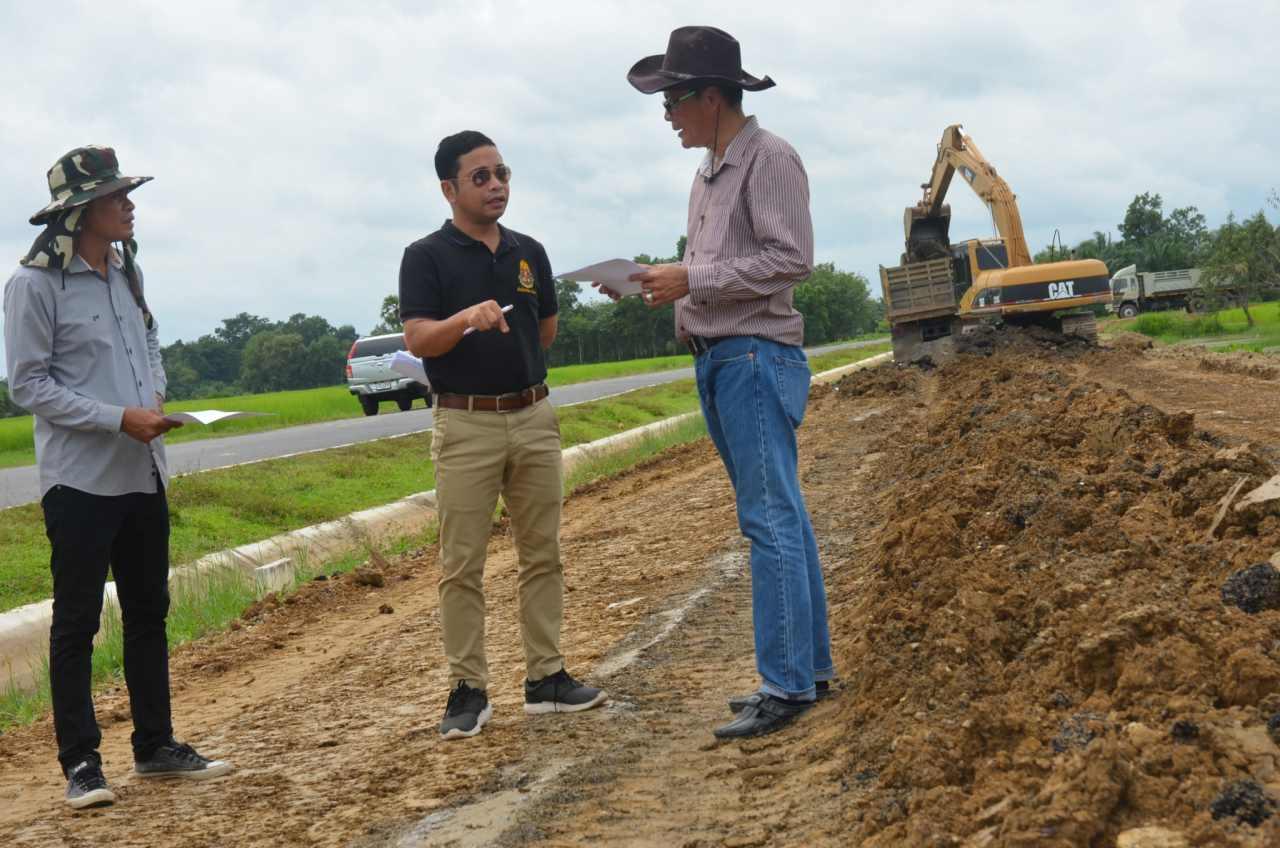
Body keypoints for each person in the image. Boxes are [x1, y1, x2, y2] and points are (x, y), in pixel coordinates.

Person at [618, 26, 835, 738]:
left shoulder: (769, 159)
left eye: (673, 100)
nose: (667, 115)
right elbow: (713, 271)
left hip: (753, 357)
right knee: (781, 516)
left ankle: (786, 685)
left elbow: (791, 258)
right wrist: (661, 285)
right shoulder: (707, 173)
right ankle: (807, 670)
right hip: (720, 357)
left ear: (711, 97)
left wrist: (692, 278)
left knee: (769, 520)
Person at [3, 146, 232, 810]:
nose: (129, 206)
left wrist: (154, 398)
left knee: (148, 613)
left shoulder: (127, 269)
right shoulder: (34, 285)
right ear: (79, 212)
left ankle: (156, 746)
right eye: (115, 197)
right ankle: (81, 764)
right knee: (76, 622)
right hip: (80, 481)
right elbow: (27, 385)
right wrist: (115, 418)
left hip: (143, 472)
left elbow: (150, 340)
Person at [399, 131, 606, 740]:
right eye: (481, 177)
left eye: (502, 173)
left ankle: (547, 678)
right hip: (465, 423)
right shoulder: (426, 256)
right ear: (449, 189)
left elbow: (545, 330)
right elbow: (418, 339)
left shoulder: (528, 252)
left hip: (534, 417)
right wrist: (466, 319)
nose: (496, 185)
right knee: (462, 563)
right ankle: (468, 689)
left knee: (543, 553)